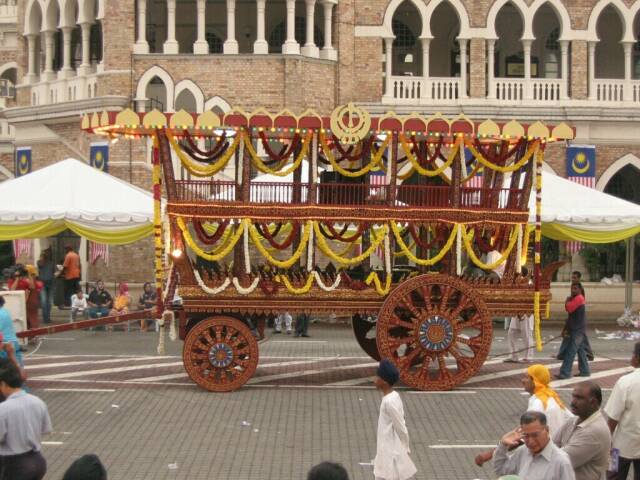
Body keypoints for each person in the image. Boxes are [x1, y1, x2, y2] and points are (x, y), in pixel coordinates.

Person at [474, 364, 571, 467]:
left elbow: (522, 436)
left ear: (535, 381)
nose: (522, 380)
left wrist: (489, 455)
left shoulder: (538, 404)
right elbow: (572, 419)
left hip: (542, 455)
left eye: (526, 377)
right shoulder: (552, 397)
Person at [0, 357, 52, 480]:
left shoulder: (3, 408)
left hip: (14, 464)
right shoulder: (38, 402)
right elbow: (46, 430)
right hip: (37, 460)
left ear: (3, 383)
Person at [553, 382, 611, 480]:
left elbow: (559, 461)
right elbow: (552, 444)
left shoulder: (594, 431)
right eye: (573, 397)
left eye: (579, 398)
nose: (573, 402)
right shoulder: (573, 420)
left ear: (593, 402)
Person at [493, 411, 575, 480]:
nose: (531, 441)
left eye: (535, 435)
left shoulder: (561, 462)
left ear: (547, 430)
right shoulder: (523, 451)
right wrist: (503, 445)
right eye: (526, 436)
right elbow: (501, 471)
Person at [372, 359, 417, 480]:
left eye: (377, 377)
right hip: (385, 448)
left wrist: (406, 447)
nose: (374, 380)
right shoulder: (393, 397)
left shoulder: (389, 402)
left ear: (384, 382)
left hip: (389, 450)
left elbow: (400, 426)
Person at [604, 341, 640, 480]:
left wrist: (606, 443)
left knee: (613, 476)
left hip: (620, 446)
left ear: (637, 358)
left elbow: (613, 417)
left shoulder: (625, 382)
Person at [557, 282, 590, 379]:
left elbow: (569, 308)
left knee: (570, 352)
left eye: (575, 288)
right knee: (581, 351)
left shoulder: (579, 298)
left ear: (580, 289)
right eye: (572, 288)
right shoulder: (575, 298)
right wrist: (565, 329)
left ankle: (565, 373)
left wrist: (567, 301)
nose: (573, 290)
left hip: (578, 330)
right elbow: (570, 316)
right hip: (575, 329)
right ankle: (585, 371)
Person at [8, 264, 42, 330]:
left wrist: (28, 274)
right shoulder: (11, 280)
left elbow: (32, 287)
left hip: (23, 303)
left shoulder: (24, 281)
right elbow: (12, 290)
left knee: (26, 320)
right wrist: (17, 279)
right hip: (14, 303)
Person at [0, 295, 25, 379]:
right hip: (13, 343)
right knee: (16, 373)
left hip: (5, 346)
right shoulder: (4, 311)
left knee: (9, 376)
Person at [36, 249, 54, 325]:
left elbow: (54, 272)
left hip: (51, 283)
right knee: (44, 301)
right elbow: (40, 265)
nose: (46, 255)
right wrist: (42, 257)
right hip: (42, 283)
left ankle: (48, 317)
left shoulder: (52, 263)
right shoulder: (40, 262)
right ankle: (45, 318)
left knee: (49, 302)